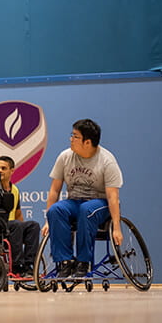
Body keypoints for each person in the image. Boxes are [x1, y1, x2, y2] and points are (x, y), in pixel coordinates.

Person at [42, 119, 123, 278]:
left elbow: (113, 196)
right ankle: (64, 262)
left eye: (75, 136)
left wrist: (117, 227)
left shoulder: (107, 160)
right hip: (74, 201)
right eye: (71, 135)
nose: (71, 139)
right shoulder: (65, 157)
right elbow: (54, 190)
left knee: (87, 210)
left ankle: (83, 262)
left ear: (87, 142)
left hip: (100, 202)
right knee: (56, 210)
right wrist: (47, 220)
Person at [0, 155, 41, 276]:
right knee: (16, 225)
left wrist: (23, 228)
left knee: (33, 226)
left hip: (12, 228)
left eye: (3, 168)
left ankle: (28, 264)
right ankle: (17, 265)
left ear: (12, 171)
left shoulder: (15, 189)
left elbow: (18, 213)